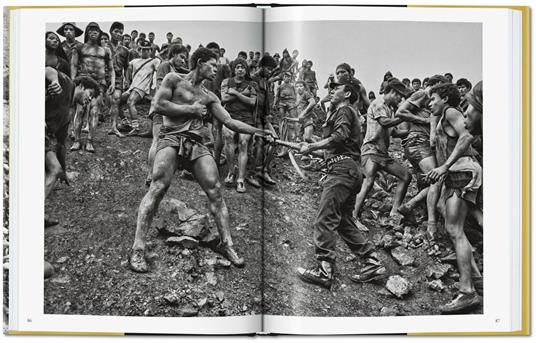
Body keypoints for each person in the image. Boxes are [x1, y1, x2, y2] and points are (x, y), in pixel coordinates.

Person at [129, 47, 273, 272]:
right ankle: (138, 248)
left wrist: (260, 131)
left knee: (216, 190)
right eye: (212, 65)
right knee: (157, 187)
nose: (216, 69)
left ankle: (227, 244)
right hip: (171, 137)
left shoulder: (210, 96)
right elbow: (157, 105)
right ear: (200, 63)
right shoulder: (173, 79)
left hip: (196, 144)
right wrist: (191, 109)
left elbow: (231, 122)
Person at [296, 80, 387, 289]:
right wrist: (311, 149)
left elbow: (339, 137)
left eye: (336, 88)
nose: (331, 90)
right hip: (350, 170)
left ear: (347, 94)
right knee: (344, 221)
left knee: (325, 218)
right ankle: (372, 262)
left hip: (341, 172)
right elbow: (337, 147)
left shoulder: (344, 110)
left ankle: (324, 271)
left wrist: (312, 146)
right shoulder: (344, 113)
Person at [424, 83, 482, 314]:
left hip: (459, 170)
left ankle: (467, 292)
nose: (430, 103)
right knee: (455, 225)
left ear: (445, 98)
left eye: (433, 98)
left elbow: (467, 135)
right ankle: (477, 280)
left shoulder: (451, 112)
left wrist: (445, 166)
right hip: (457, 173)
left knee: (454, 229)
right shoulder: (442, 117)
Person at [352, 78, 412, 229]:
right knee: (369, 180)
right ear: (392, 92)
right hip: (370, 150)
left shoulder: (390, 109)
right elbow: (384, 123)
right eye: (399, 96)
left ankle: (393, 213)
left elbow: (395, 132)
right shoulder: (378, 104)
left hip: (382, 153)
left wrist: (412, 130)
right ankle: (353, 216)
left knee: (406, 176)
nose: (400, 99)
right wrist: (404, 116)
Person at [395, 74, 448, 239]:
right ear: (435, 84)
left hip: (421, 144)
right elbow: (400, 112)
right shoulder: (423, 94)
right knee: (437, 179)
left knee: (427, 180)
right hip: (418, 141)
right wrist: (424, 121)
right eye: (441, 86)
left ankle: (414, 211)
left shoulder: (431, 101)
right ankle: (430, 222)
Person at [45, 67, 100, 224]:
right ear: (82, 86)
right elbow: (48, 69)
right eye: (90, 94)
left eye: (93, 98)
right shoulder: (68, 84)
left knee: (55, 170)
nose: (90, 100)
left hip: (45, 139)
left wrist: (64, 171)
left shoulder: (67, 114)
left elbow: (61, 144)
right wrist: (54, 80)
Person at [145, 43, 190, 185]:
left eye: (185, 59)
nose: (183, 60)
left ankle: (158, 173)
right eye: (181, 57)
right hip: (161, 109)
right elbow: (159, 88)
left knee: (165, 143)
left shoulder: (177, 69)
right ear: (174, 54)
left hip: (170, 111)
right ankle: (150, 174)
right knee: (157, 140)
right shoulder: (164, 66)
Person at [70, 22, 115, 152]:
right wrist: (73, 81)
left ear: (100, 33)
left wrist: (112, 83)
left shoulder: (105, 50)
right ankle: (77, 141)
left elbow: (111, 69)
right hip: (83, 82)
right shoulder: (80, 47)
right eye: (91, 30)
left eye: (96, 30)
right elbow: (73, 65)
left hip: (100, 84)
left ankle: (89, 141)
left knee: (94, 113)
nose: (94, 32)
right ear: (87, 32)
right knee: (80, 111)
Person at [221, 58, 257, 193]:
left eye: (243, 67)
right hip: (230, 116)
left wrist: (235, 93)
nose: (240, 69)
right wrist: (242, 94)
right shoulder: (226, 82)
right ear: (234, 69)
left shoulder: (251, 84)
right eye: (238, 67)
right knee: (229, 137)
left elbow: (252, 102)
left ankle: (240, 179)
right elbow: (224, 99)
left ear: (246, 70)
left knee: (243, 143)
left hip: (246, 118)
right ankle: (231, 171)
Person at [249, 55, 278, 187]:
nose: (270, 71)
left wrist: (267, 117)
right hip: (250, 118)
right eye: (268, 68)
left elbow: (265, 102)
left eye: (272, 69)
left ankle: (263, 170)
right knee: (259, 142)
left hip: (261, 118)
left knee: (275, 140)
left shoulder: (265, 82)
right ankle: (252, 173)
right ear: (261, 67)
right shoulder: (252, 79)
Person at [203, 42, 232, 167]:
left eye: (215, 52)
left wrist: (224, 101)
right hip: (203, 100)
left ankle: (216, 160)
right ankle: (202, 159)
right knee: (200, 128)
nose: (214, 54)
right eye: (211, 52)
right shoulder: (204, 66)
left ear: (220, 53)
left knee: (217, 130)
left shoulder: (224, 67)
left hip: (217, 101)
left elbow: (229, 83)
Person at [123, 40, 161, 133]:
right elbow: (126, 67)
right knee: (117, 101)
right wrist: (127, 81)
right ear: (139, 50)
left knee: (130, 102)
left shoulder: (154, 61)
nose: (145, 52)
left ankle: (135, 127)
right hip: (132, 86)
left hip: (142, 87)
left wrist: (155, 87)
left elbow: (159, 71)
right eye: (143, 50)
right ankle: (125, 122)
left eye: (148, 50)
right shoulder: (134, 61)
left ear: (150, 50)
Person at [108, 22, 130, 137]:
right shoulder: (104, 46)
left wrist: (126, 79)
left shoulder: (125, 50)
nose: (118, 34)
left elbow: (126, 67)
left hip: (118, 78)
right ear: (111, 31)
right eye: (116, 31)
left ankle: (114, 127)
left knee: (116, 100)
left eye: (120, 32)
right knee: (100, 101)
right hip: (104, 77)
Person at [274, 71, 297, 157]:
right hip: (282, 103)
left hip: (290, 103)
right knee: (282, 120)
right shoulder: (280, 86)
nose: (287, 78)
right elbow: (277, 96)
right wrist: (274, 103)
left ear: (290, 78)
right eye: (286, 76)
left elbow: (295, 96)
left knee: (293, 120)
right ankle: (282, 134)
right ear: (283, 77)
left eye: (289, 76)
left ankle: (294, 140)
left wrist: (293, 102)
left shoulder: (292, 86)